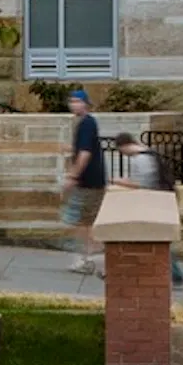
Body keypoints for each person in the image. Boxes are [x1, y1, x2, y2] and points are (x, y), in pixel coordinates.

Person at [59, 86, 110, 273]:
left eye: (77, 101)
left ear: (86, 104)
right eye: (72, 101)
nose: (73, 105)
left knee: (81, 221)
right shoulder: (84, 123)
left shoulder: (87, 123)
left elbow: (85, 153)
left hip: (88, 182)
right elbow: (83, 149)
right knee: (85, 221)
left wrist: (73, 176)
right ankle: (90, 257)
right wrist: (71, 149)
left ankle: (89, 258)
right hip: (90, 181)